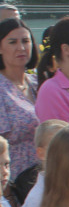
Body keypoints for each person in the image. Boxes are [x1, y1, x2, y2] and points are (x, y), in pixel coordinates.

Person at [0, 19, 40, 178]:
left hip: (46, 177)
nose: (21, 48)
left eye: (25, 41)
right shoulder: (2, 89)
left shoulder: (38, 84)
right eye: (12, 42)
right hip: (14, 181)